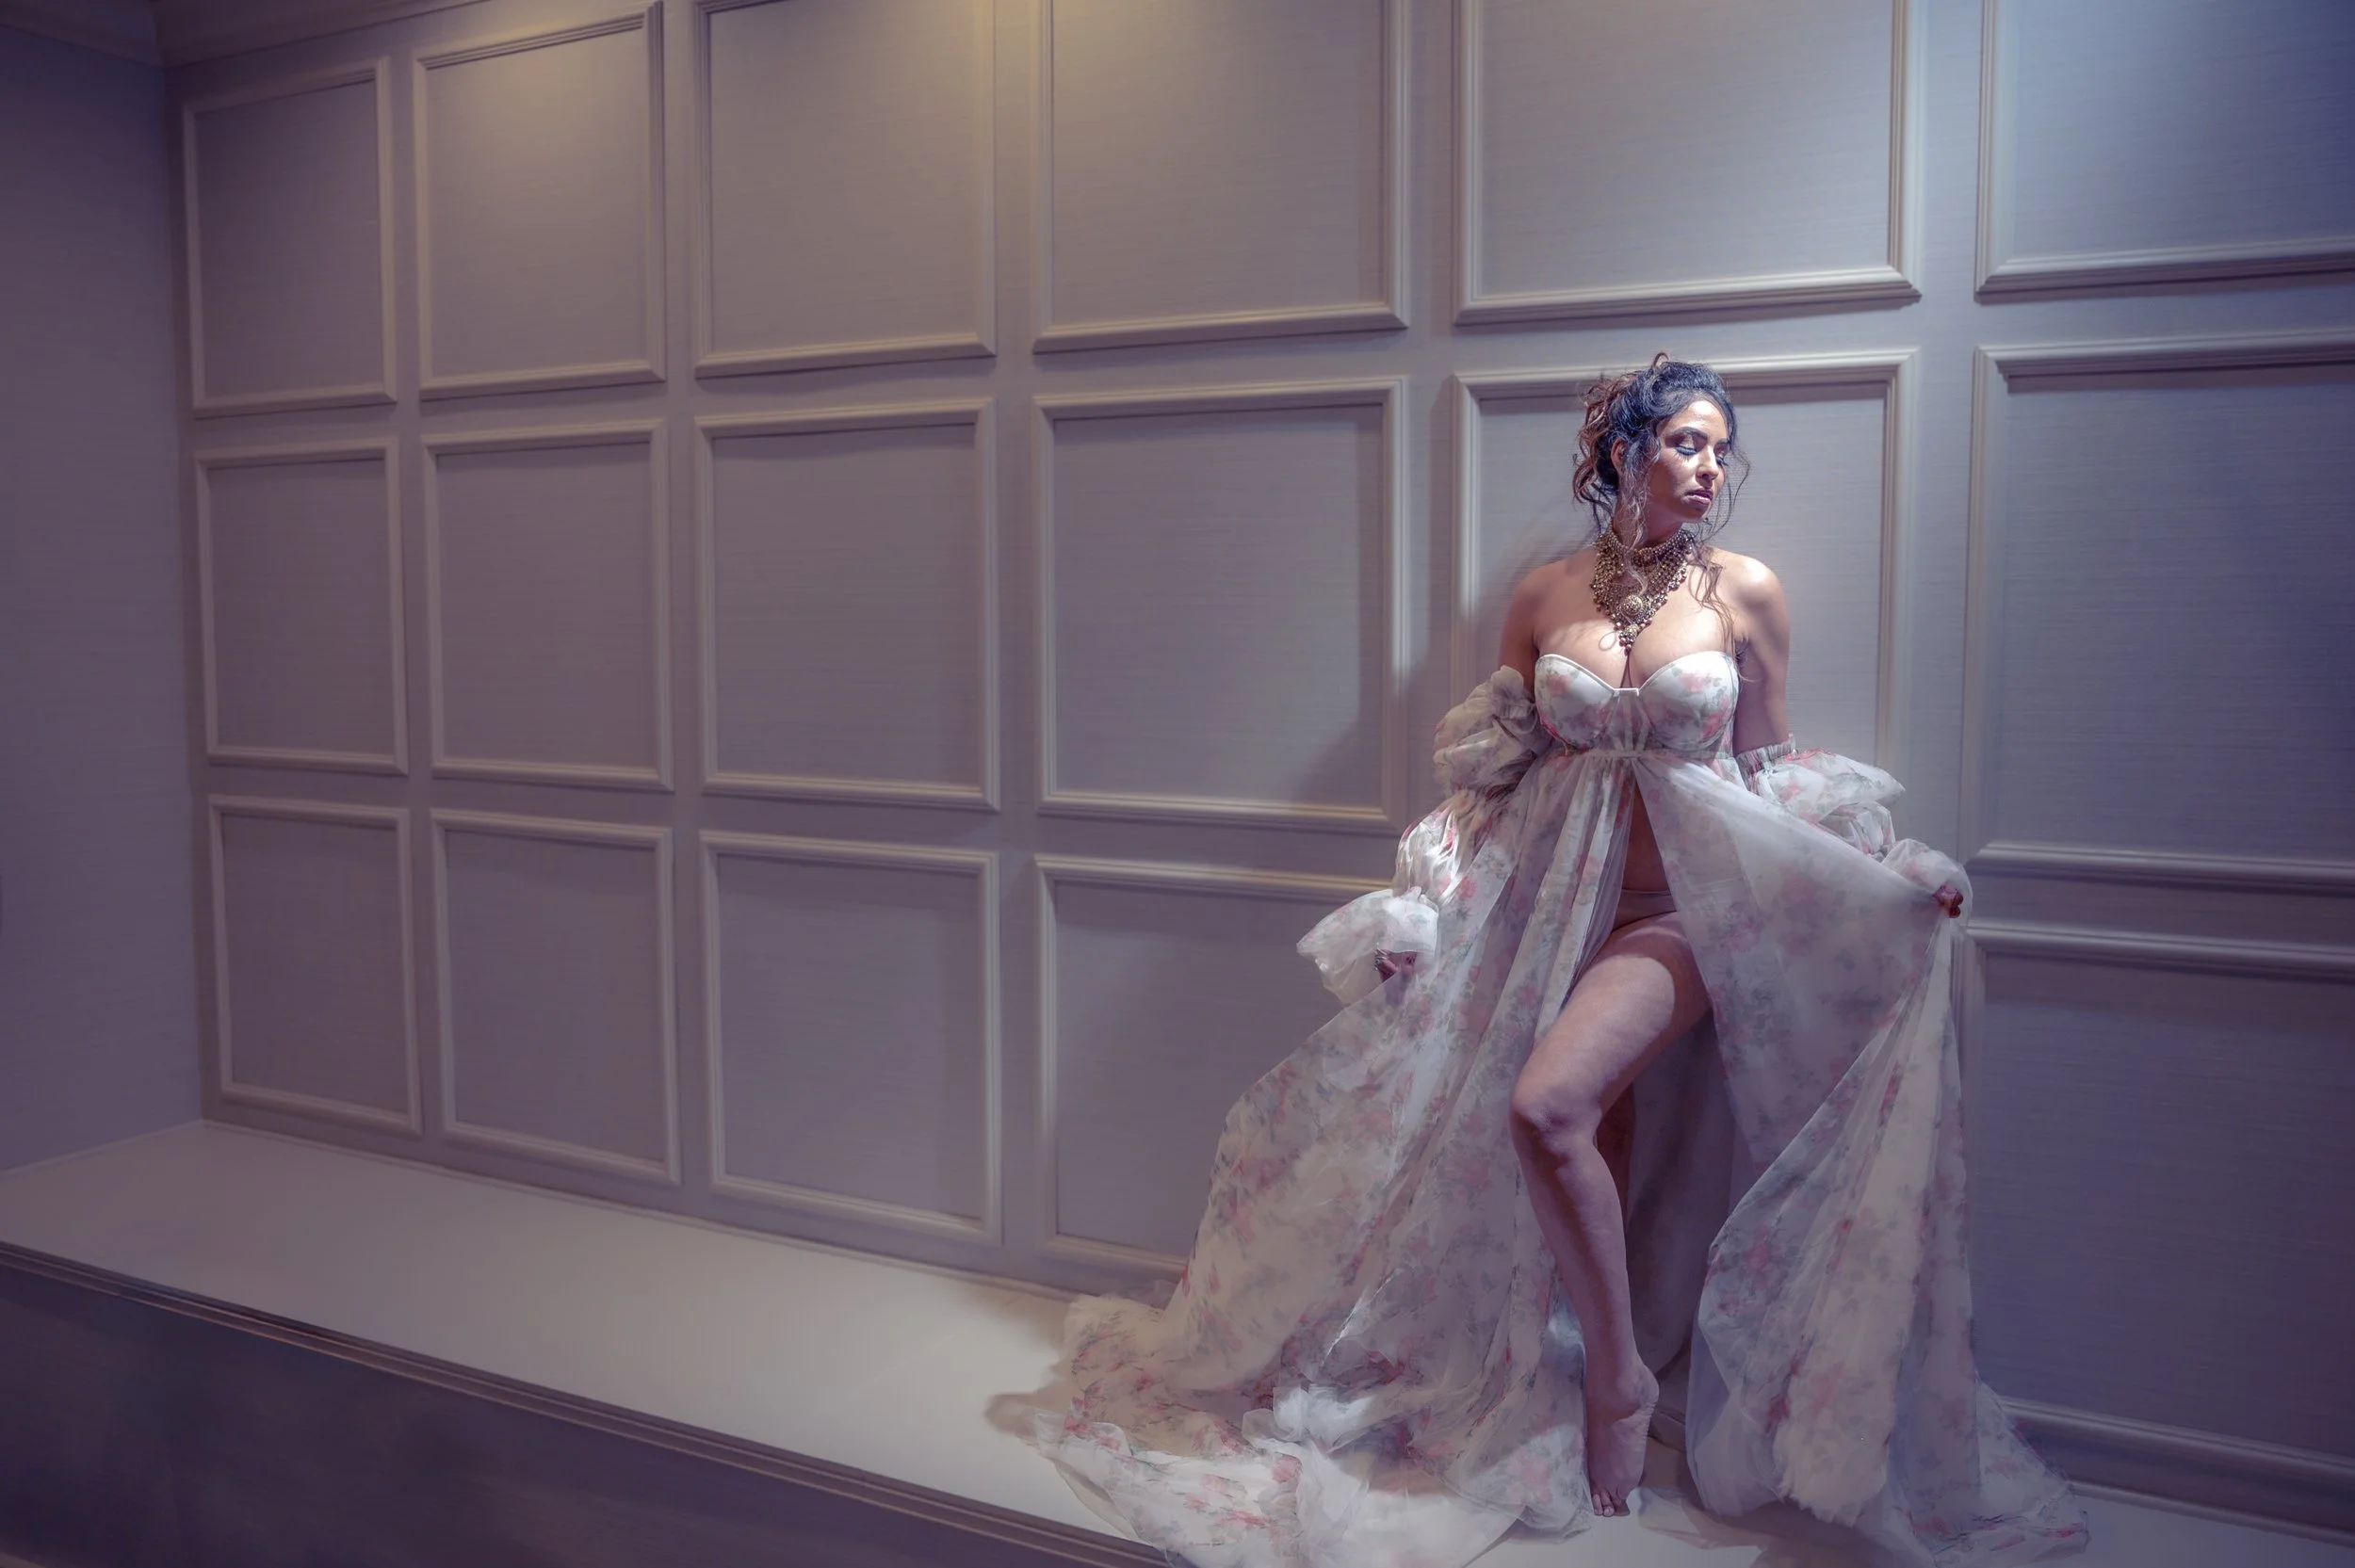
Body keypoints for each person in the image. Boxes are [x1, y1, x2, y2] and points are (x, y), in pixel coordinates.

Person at [1028, 357, 2088, 1568]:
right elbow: (1494, 774)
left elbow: (1767, 773)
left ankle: (1621, 1388)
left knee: (1549, 1106)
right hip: (1544, 909)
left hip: (1681, 918)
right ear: (1622, 451)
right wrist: (1422, 909)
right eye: (1685, 443)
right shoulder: (1541, 597)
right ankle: (1571, 1353)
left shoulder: (1744, 592)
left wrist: (1887, 871)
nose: (1708, 469)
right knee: (1573, 1136)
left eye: (1719, 451)